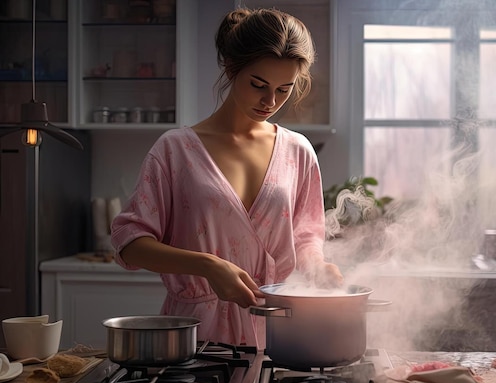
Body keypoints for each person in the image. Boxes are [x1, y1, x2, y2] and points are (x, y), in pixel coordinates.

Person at [110, 7, 343, 348]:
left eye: (284, 89)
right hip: (192, 337)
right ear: (232, 69)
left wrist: (319, 266)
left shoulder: (299, 152)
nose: (270, 101)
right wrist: (208, 266)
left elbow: (306, 238)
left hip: (279, 332)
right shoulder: (175, 150)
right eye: (258, 85)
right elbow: (129, 245)